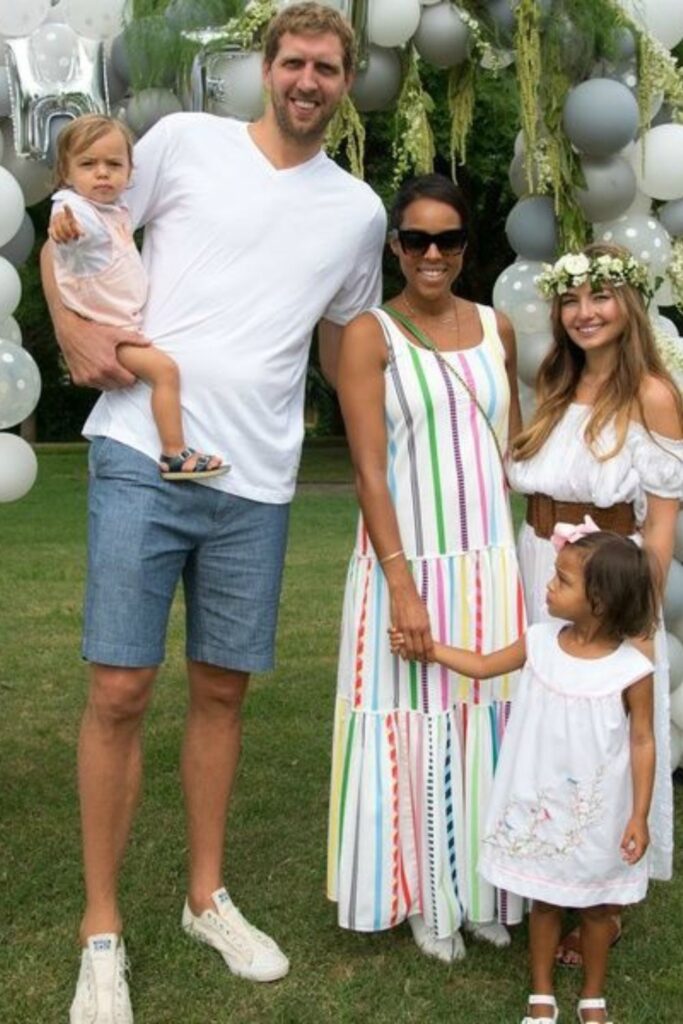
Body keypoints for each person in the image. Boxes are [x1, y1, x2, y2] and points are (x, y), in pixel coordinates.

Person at [41, 5, 386, 1022]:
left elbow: (344, 345)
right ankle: (100, 929)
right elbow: (78, 220)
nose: (307, 79)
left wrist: (395, 440)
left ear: (345, 81)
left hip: (257, 477)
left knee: (222, 692)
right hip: (142, 451)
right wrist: (66, 327)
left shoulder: (358, 213)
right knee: (117, 685)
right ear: (264, 68)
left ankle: (205, 897)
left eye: (327, 66)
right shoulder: (184, 141)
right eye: (292, 61)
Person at [327, 173, 525, 961]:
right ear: (396, 247)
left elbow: (509, 446)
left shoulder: (497, 327)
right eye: (416, 240)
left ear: (465, 246)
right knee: (410, 723)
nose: (432, 253)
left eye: (447, 238)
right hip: (403, 565)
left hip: (490, 563)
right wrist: (401, 587)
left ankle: (483, 891)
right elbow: (370, 473)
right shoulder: (368, 334)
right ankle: (420, 895)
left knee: (489, 723)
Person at [390, 525, 658, 1024]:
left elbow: (643, 741)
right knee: (545, 898)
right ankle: (541, 991)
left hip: (599, 813)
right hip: (541, 802)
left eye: (562, 580)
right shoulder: (539, 642)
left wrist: (639, 816)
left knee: (598, 907)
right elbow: (484, 664)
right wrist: (428, 650)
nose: (549, 586)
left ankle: (592, 996)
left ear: (597, 602)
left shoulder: (631, 671)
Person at [508, 243, 683, 968]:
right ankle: (544, 868)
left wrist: (626, 617)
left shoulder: (650, 392)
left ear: (629, 304)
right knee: (553, 734)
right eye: (572, 301)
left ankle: (603, 904)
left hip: (606, 587)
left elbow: (664, 520)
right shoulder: (551, 387)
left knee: (607, 740)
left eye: (600, 297)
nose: (584, 313)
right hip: (537, 568)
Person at [49, 113, 227, 480]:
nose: (102, 173)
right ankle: (174, 452)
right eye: (88, 164)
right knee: (165, 371)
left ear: (131, 172)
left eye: (114, 164)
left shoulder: (114, 209)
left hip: (120, 323)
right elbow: (72, 231)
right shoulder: (77, 211)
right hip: (108, 333)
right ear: (66, 172)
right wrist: (66, 230)